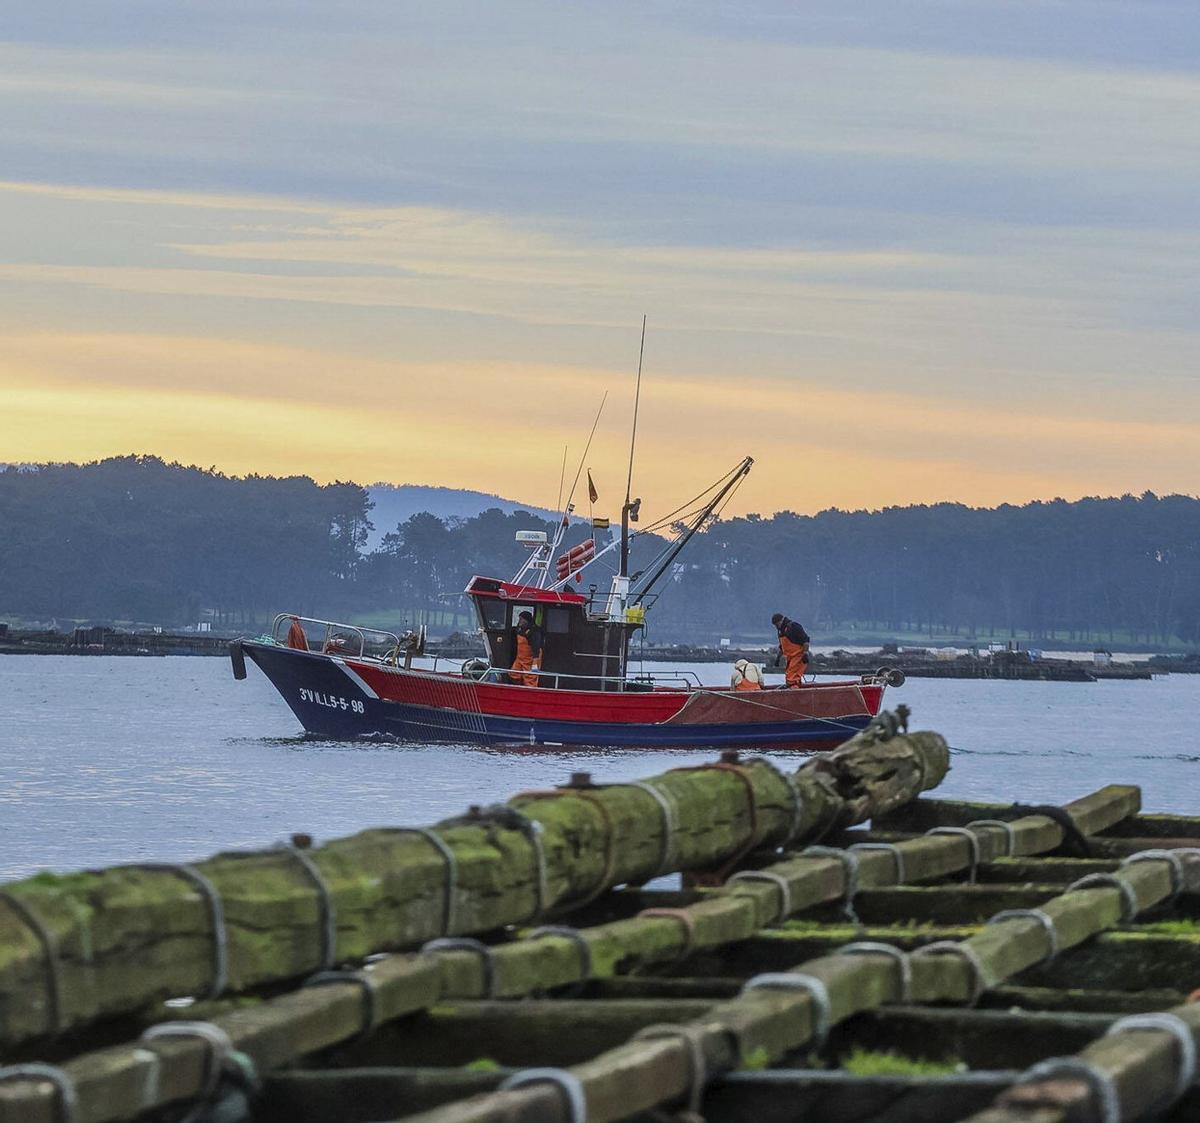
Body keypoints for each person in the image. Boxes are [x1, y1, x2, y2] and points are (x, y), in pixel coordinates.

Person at [772, 612, 810, 687]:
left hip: (799, 656)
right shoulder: (781, 631)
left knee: (792, 677)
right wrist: (778, 658)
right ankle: (796, 690)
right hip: (790, 658)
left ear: (781, 620)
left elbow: (806, 640)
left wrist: (805, 653)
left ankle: (793, 694)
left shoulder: (794, 626)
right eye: (775, 626)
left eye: (777, 624)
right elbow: (782, 646)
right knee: (790, 676)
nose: (776, 627)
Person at [509, 610, 544, 687]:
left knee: (530, 679)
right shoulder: (519, 628)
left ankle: (529, 693)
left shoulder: (534, 631)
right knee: (513, 674)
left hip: (531, 659)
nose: (520, 621)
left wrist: (535, 664)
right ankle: (517, 688)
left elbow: (536, 648)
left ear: (527, 620)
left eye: (522, 619)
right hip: (520, 658)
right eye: (519, 619)